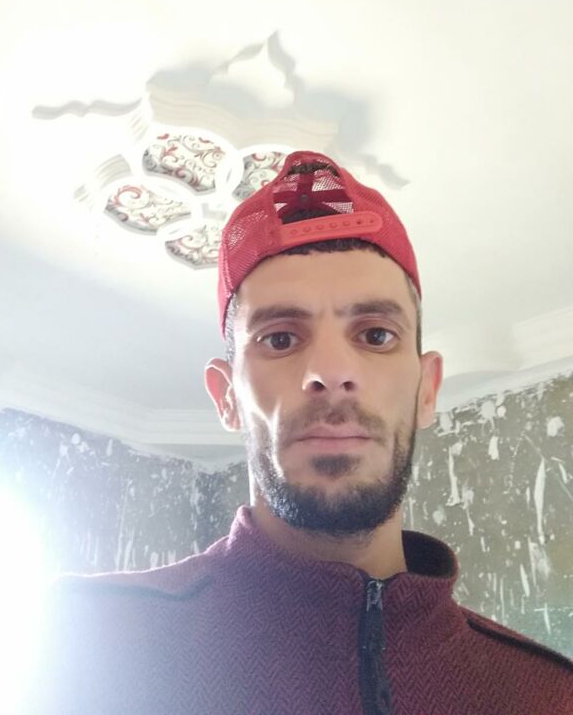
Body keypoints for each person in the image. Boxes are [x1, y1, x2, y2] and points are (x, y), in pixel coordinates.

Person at [31, 151, 573, 714]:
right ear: (226, 397)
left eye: (376, 335)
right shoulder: (81, 643)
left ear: (427, 390)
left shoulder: (548, 694)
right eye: (281, 339)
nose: (331, 372)